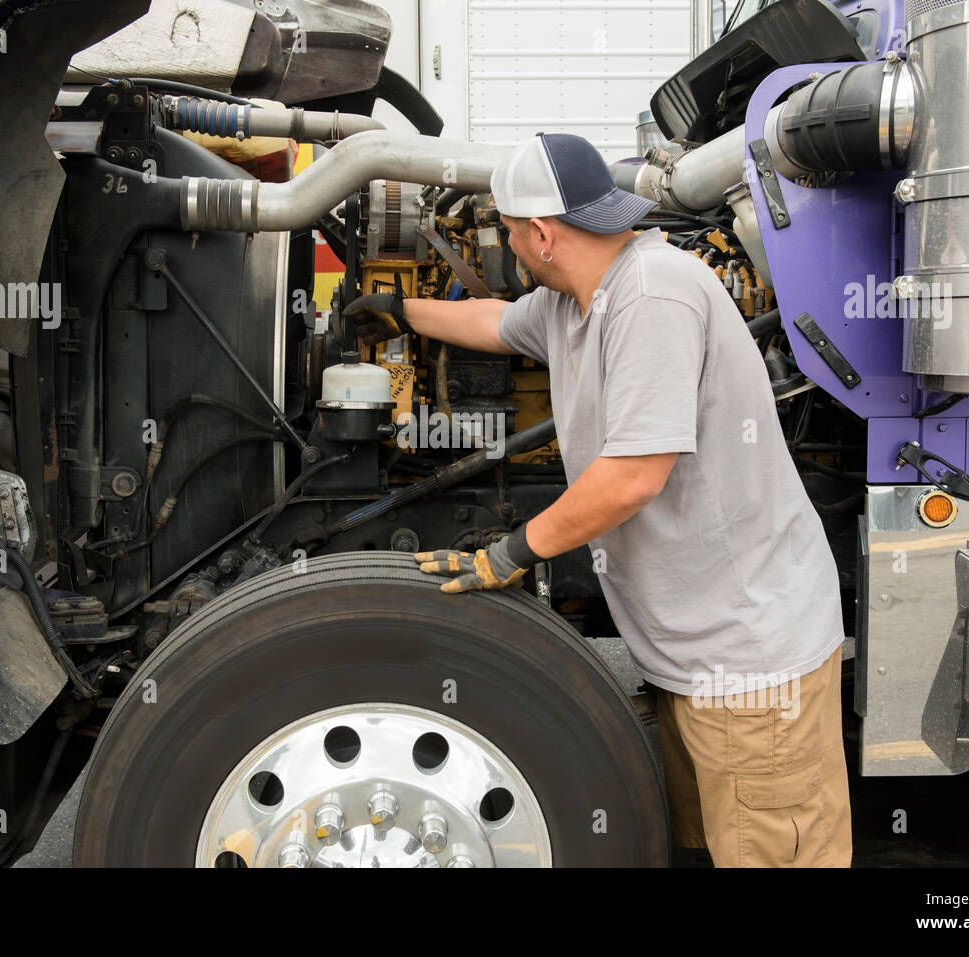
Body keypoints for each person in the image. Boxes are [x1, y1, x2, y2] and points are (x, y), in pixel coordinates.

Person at [342, 132, 851, 867]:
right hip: (689, 657)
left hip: (749, 664)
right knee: (711, 849)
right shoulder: (574, 300)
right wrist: (399, 309)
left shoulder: (653, 295)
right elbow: (495, 322)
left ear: (542, 233)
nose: (511, 246)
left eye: (512, 232)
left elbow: (633, 475)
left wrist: (510, 554)